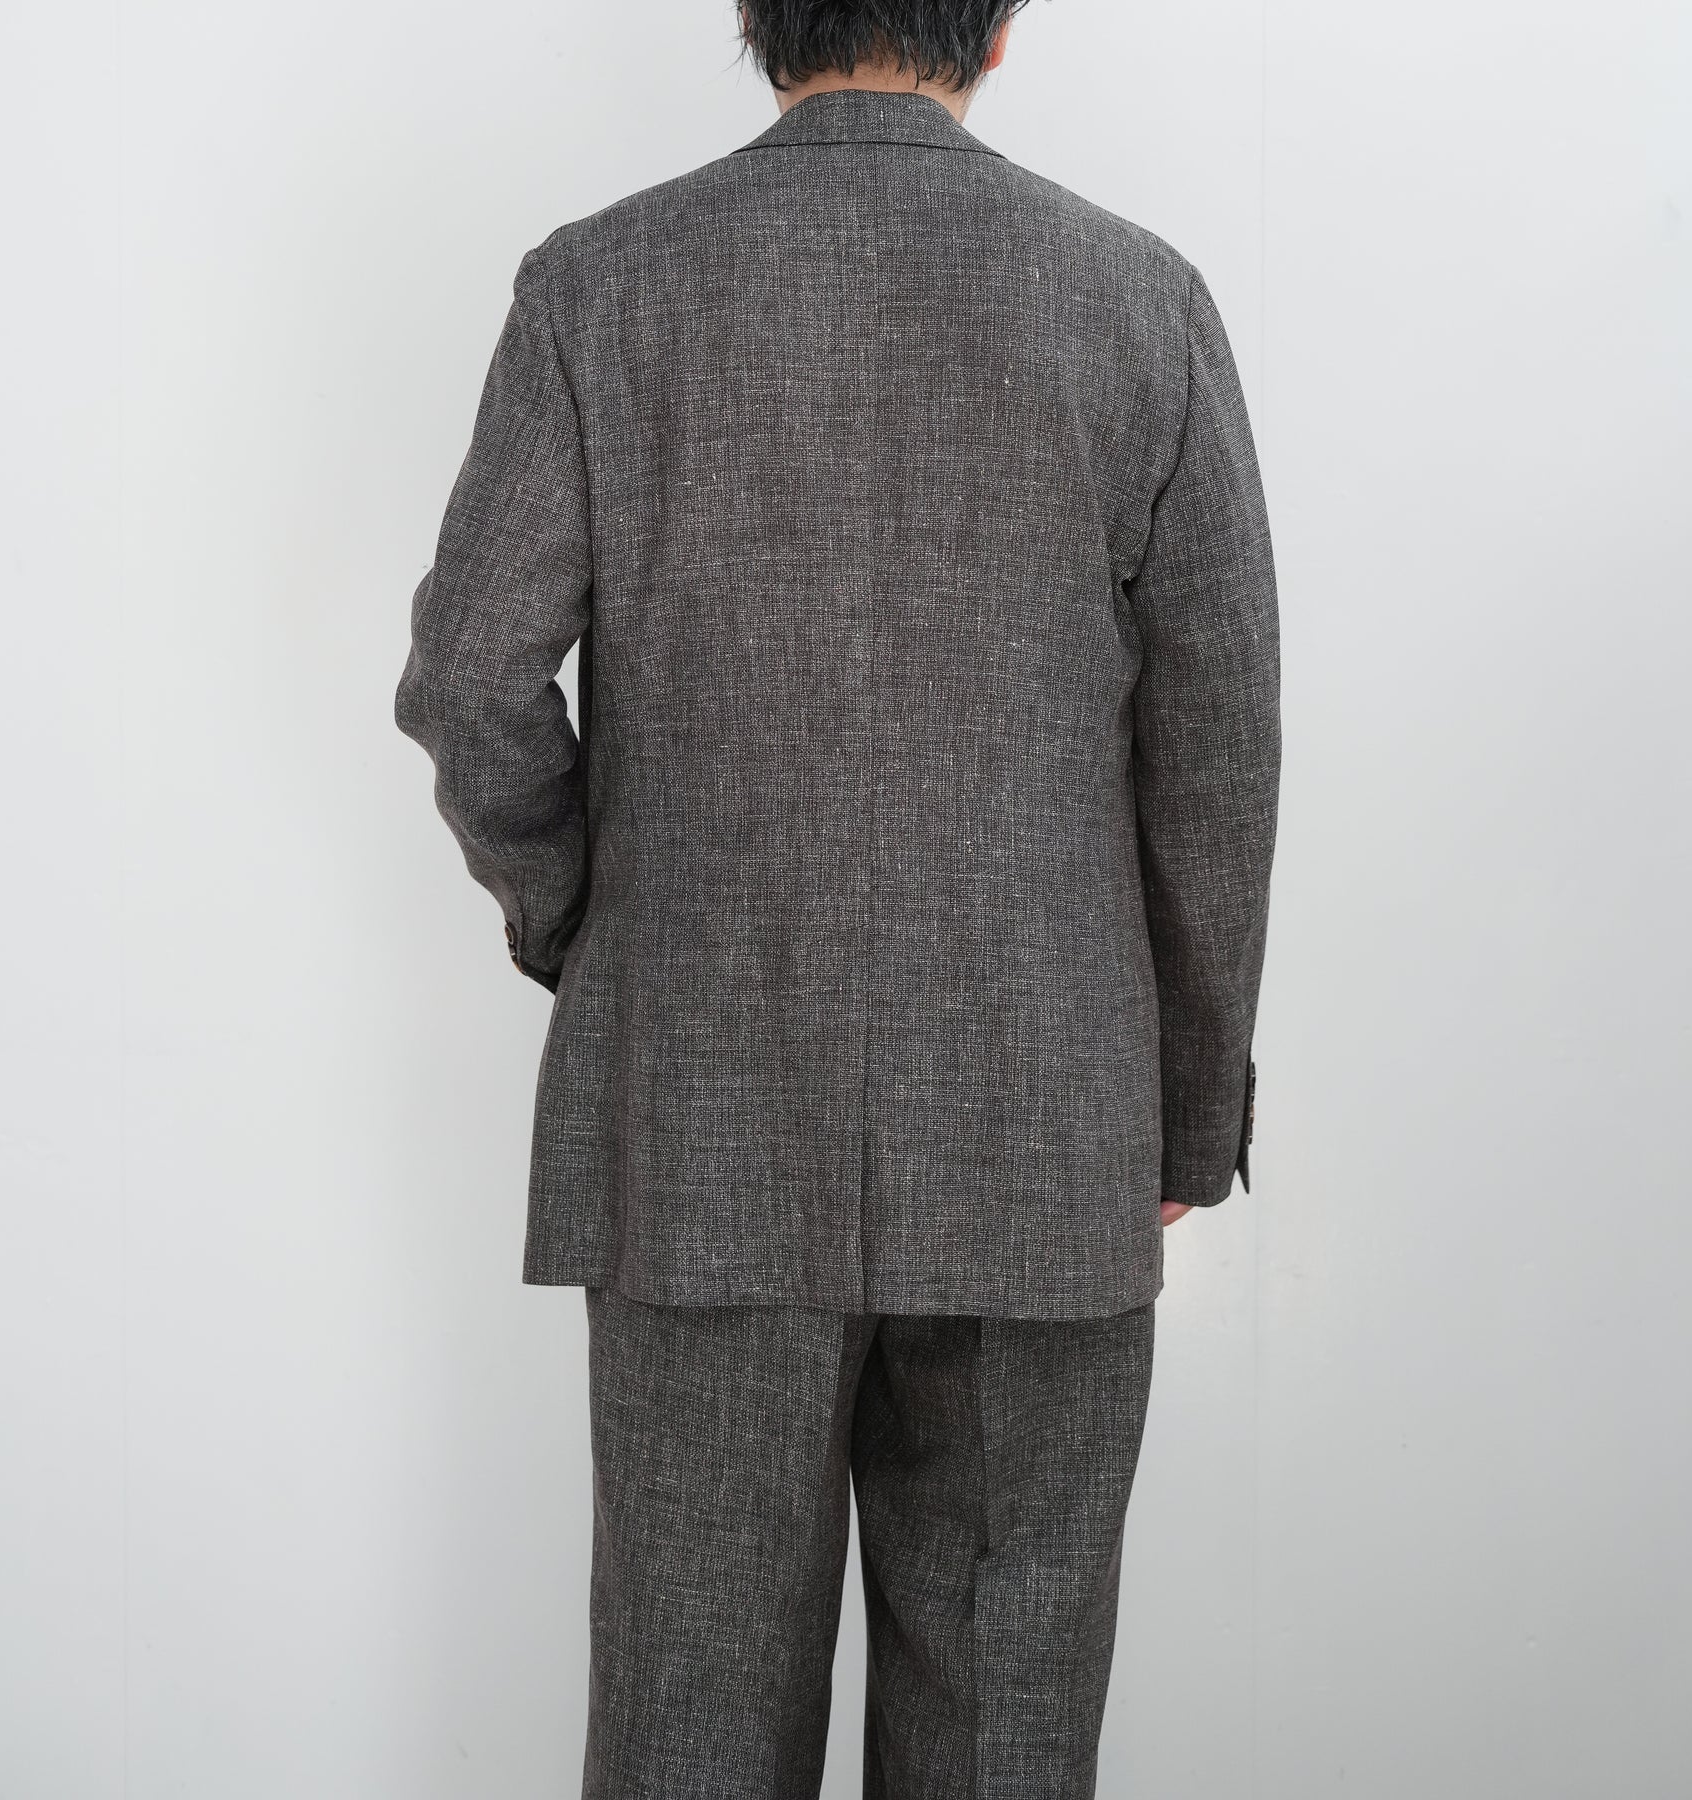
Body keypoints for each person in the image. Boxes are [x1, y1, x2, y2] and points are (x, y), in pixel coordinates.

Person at [394, 1, 1281, 1792]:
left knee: (690, 1727)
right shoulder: (1139, 302)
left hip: (700, 1120)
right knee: (1005, 1732)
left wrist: (590, 926)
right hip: (1042, 1136)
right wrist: (1187, 1108)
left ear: (753, 15)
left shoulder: (599, 288)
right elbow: (1215, 752)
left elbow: (471, 682)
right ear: (999, 30)